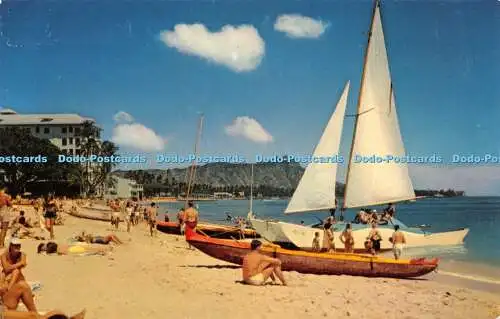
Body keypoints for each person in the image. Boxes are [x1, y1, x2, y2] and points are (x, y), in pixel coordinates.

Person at [37, 242, 110, 256]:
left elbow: (49, 251)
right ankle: (104, 248)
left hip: (66, 248)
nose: (44, 250)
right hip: (67, 248)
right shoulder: (50, 245)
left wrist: (45, 251)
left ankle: (105, 248)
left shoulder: (50, 244)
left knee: (87, 248)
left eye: (43, 248)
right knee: (87, 248)